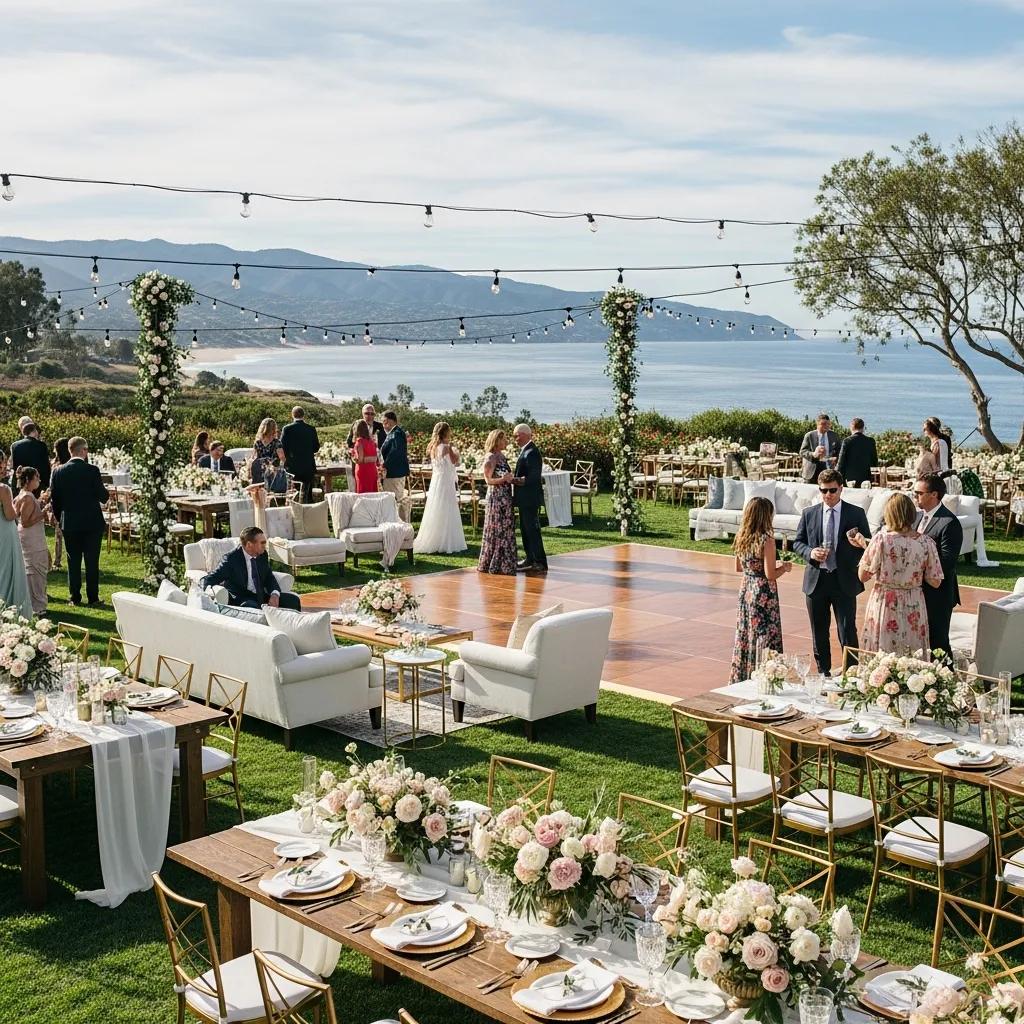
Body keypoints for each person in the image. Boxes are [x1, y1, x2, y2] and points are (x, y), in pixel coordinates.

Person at [792, 468, 871, 676]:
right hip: (816, 581)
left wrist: (859, 544)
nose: (828, 495)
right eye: (823, 490)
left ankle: (852, 674)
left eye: (832, 490)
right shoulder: (809, 513)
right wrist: (810, 552)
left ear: (841, 489)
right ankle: (823, 673)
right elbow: (797, 543)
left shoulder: (856, 513)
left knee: (847, 630)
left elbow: (868, 545)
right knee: (819, 631)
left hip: (844, 580)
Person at [860, 492, 943, 657]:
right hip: (914, 602)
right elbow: (935, 581)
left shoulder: (881, 540)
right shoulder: (926, 542)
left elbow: (863, 576)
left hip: (885, 601)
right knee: (912, 654)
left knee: (881, 653)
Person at [729, 496, 791, 683]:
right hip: (764, 593)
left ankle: (743, 676)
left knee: (747, 632)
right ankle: (765, 676)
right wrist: (784, 567)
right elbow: (770, 574)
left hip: (747, 588)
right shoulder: (767, 540)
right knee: (765, 635)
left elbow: (738, 567)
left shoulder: (741, 536)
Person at [50, 436, 109, 607]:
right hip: (92, 522)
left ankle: (74, 597)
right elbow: (103, 496)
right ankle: (93, 597)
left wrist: (60, 518)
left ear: (70, 451)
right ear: (83, 450)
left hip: (70, 522)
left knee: (73, 561)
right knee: (92, 561)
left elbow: (55, 501)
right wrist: (104, 493)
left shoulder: (58, 471)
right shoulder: (92, 470)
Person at [913, 474, 963, 657]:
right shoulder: (916, 517)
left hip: (938, 594)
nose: (915, 496)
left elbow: (947, 562)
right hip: (916, 592)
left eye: (919, 493)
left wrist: (915, 567)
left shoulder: (949, 522)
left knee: (938, 644)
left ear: (934, 494)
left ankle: (946, 674)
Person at [200, 526, 301, 610]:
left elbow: (269, 577)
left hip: (261, 596)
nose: (265, 546)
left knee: (293, 600)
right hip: (242, 599)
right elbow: (208, 579)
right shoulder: (230, 560)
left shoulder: (262, 554)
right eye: (262, 543)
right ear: (249, 545)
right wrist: (208, 594)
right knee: (252, 607)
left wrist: (274, 594)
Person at [413, 422, 467, 554]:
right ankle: (446, 540)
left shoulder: (433, 447)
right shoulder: (446, 447)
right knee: (447, 507)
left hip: (437, 480)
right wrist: (452, 449)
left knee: (436, 507)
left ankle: (436, 538)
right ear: (445, 432)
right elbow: (454, 461)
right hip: (445, 481)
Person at [477, 428, 517, 575]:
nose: (506, 441)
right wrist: (503, 479)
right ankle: (494, 562)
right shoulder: (491, 457)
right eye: (504, 439)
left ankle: (506, 562)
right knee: (497, 528)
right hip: (496, 498)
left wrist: (512, 479)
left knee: (506, 528)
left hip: (506, 496)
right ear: (497, 440)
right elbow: (488, 480)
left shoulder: (502, 456)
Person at [512, 423, 548, 573]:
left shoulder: (532, 452)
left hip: (530, 499)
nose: (515, 439)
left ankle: (539, 561)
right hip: (524, 499)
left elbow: (534, 476)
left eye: (516, 436)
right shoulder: (526, 450)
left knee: (532, 530)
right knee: (525, 529)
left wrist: (516, 480)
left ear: (525, 435)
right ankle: (530, 558)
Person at [0, 450, 31, 617]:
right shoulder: (3, 489)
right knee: (6, 569)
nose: (4, 469)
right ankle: (7, 607)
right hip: (4, 533)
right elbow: (10, 515)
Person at [14, 467, 49, 614]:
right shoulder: (27, 497)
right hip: (32, 539)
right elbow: (25, 521)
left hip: (28, 538)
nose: (39, 480)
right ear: (28, 480)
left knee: (33, 570)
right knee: (36, 571)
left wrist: (40, 501)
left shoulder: (23, 495)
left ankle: (34, 603)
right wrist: (43, 513)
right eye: (36, 478)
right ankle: (38, 606)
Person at [280, 406, 321, 503]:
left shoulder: (287, 429)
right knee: (307, 495)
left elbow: (282, 447)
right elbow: (316, 447)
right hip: (308, 466)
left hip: (292, 467)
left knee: (295, 495)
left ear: (292, 415)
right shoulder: (311, 429)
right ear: (303, 415)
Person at [379, 410, 411, 522]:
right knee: (393, 500)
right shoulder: (394, 433)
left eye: (384, 422)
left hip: (395, 473)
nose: (383, 425)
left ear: (390, 421)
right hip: (393, 473)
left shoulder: (397, 433)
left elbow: (395, 452)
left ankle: (398, 524)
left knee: (395, 500)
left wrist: (384, 465)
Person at [11, 422, 51, 495]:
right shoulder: (41, 445)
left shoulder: (14, 445)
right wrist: (47, 484)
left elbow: (15, 466)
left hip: (22, 483)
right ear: (34, 431)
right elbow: (46, 467)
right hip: (38, 483)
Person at [836, 417, 878, 488]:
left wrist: (836, 475)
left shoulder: (847, 441)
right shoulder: (871, 441)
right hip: (866, 478)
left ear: (851, 427)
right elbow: (874, 461)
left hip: (850, 479)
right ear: (863, 428)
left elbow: (841, 462)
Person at [799, 413, 840, 483]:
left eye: (828, 424)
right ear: (817, 424)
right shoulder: (809, 435)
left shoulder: (834, 435)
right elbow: (802, 452)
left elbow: (839, 450)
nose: (826, 426)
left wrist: (835, 459)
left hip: (828, 469)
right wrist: (813, 454)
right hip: (811, 470)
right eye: (823, 424)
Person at [50, 437, 71, 571]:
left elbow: (53, 488)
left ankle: (57, 560)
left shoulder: (56, 466)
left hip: (60, 502)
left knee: (59, 534)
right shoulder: (71, 464)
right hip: (71, 502)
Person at [251, 418, 284, 484]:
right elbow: (282, 458)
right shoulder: (277, 443)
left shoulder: (258, 442)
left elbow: (253, 458)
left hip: (259, 473)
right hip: (272, 473)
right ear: (274, 429)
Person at [351, 420, 379, 493]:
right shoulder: (372, 442)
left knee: (363, 493)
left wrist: (352, 457)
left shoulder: (359, 442)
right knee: (372, 493)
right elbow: (375, 458)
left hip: (363, 471)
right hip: (372, 470)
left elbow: (360, 459)